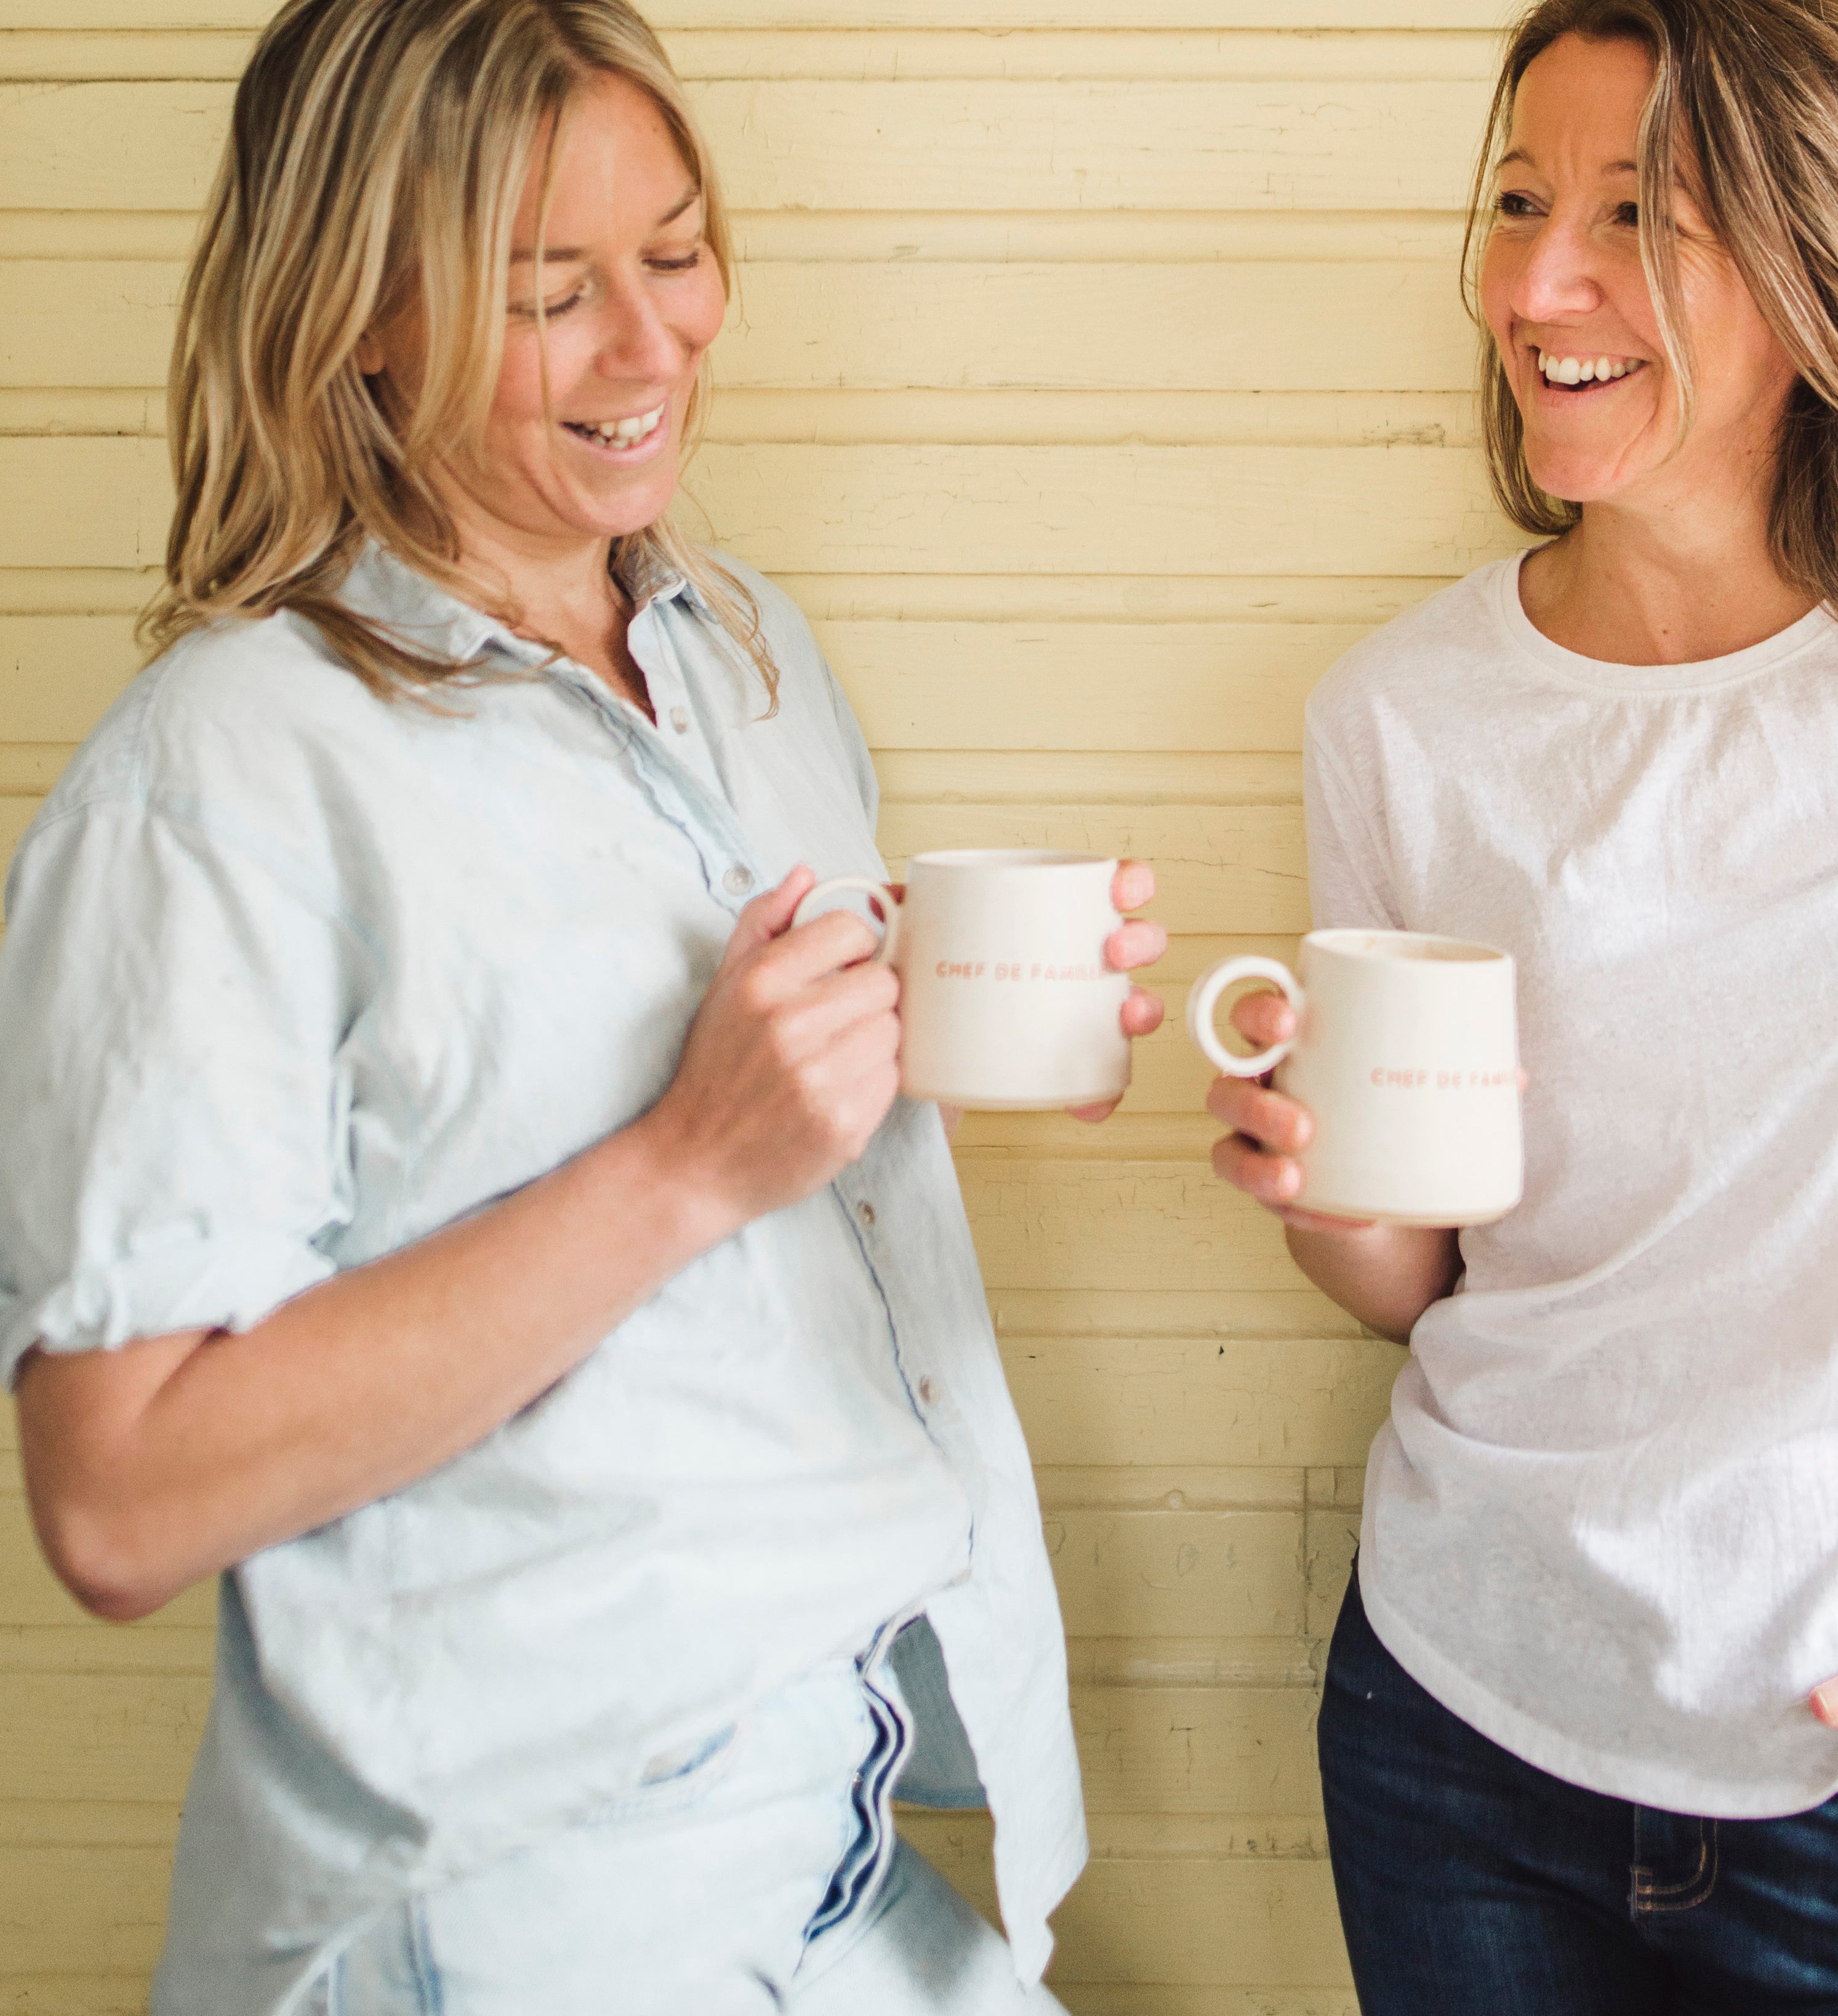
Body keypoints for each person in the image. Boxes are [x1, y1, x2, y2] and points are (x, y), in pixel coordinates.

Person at [0, 2, 1165, 2011]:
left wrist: (919, 1047)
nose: (652, 344)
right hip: (516, 1918)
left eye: (676, 252)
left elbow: (725, 1212)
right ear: (363, 318)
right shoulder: (214, 782)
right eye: (548, 295)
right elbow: (116, 1496)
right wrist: (688, 1160)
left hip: (828, 1845)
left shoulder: (746, 658)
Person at [1203, 0, 1838, 2008]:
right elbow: (1423, 1277)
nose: (1534, 285)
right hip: (1459, 1724)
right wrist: (1327, 1196)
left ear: (1822, 269)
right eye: (1516, 203)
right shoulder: (1396, 716)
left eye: (1635, 215)